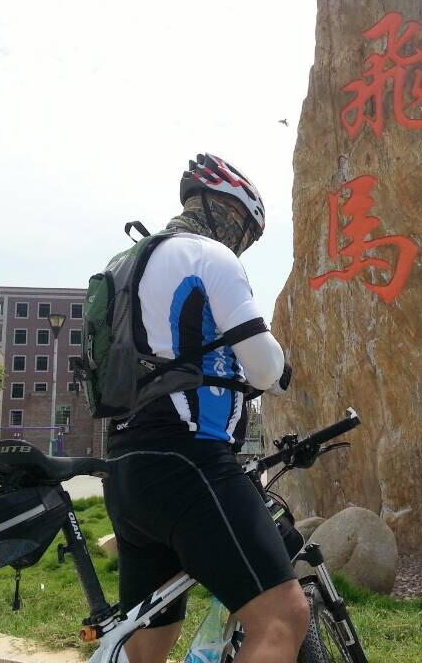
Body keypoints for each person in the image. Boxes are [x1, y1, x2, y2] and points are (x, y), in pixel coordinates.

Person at [103, 154, 309, 663]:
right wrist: (279, 371)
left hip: (125, 467)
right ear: (223, 211)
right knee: (281, 616)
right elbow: (263, 365)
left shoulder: (123, 264)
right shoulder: (209, 256)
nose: (241, 243)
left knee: (148, 642)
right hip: (189, 463)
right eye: (245, 231)